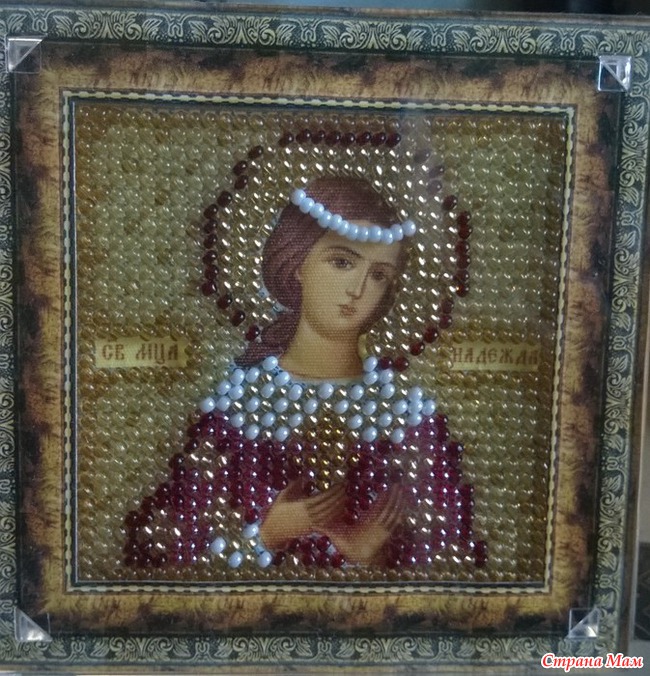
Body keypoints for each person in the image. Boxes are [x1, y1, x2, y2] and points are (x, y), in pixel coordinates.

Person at [123, 176, 486, 573]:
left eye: (379, 274)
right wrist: (268, 535)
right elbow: (167, 554)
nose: (359, 289)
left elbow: (454, 563)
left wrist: (369, 555)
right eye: (342, 262)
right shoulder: (239, 409)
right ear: (298, 263)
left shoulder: (408, 417)